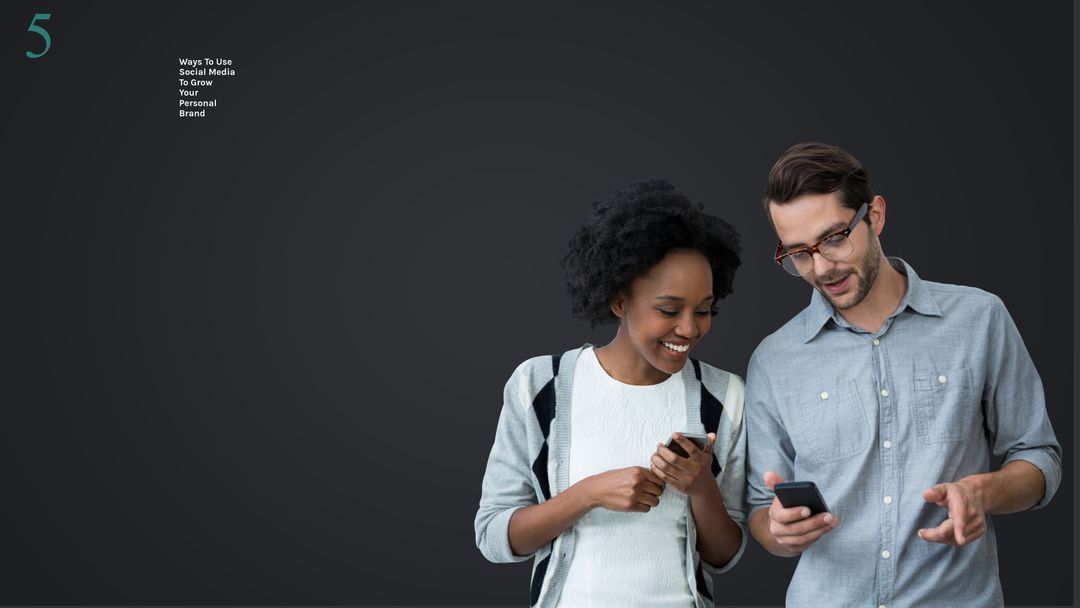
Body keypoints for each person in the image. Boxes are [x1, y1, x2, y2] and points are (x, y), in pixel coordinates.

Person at [745, 142, 1062, 607]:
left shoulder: (980, 318)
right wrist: (777, 532)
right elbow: (758, 511)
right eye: (799, 253)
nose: (822, 267)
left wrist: (982, 491)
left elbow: (1039, 458)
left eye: (835, 238)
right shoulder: (773, 359)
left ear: (874, 216)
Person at [474, 179, 747, 607]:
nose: (690, 328)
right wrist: (589, 494)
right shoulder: (539, 385)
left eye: (704, 310)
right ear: (619, 300)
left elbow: (724, 555)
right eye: (668, 310)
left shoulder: (722, 395)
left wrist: (701, 490)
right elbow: (493, 536)